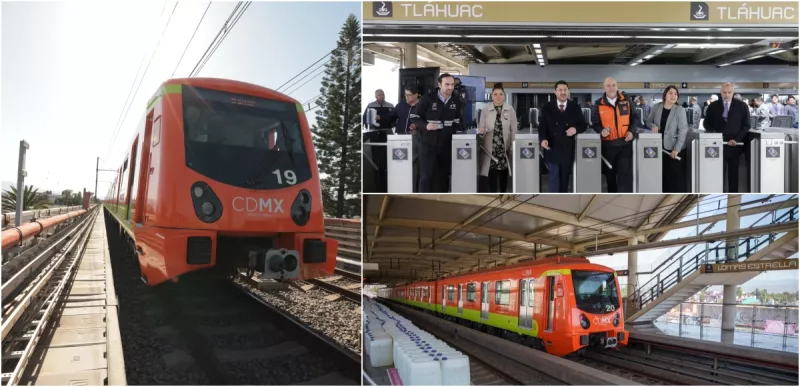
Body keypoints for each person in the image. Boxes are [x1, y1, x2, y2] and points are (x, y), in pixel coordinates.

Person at [411, 73, 464, 193]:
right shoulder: (427, 98)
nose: (450, 87)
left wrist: (455, 132)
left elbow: (457, 120)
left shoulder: (456, 101)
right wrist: (425, 126)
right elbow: (414, 116)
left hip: (446, 145)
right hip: (427, 145)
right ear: (439, 84)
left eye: (452, 85)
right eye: (447, 84)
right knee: (426, 177)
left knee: (444, 176)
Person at [539, 80, 587, 193]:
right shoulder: (546, 107)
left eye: (565, 90)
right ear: (555, 92)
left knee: (564, 181)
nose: (563, 92)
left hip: (567, 150)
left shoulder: (575, 107)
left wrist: (575, 129)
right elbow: (542, 127)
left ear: (568, 92)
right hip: (551, 148)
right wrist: (543, 139)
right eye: (560, 90)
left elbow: (583, 125)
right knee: (553, 179)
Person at [592, 77, 639, 193]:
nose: (611, 88)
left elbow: (635, 117)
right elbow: (595, 123)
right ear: (604, 88)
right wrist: (601, 131)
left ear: (617, 86)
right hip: (608, 146)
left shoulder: (627, 101)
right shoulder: (598, 104)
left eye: (613, 85)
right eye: (608, 85)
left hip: (625, 144)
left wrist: (631, 132)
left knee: (624, 175)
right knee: (610, 176)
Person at [703, 82, 751, 193]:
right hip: (716, 146)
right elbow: (707, 124)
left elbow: (746, 125)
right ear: (721, 92)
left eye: (729, 92)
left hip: (734, 146)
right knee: (717, 174)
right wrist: (714, 135)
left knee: (733, 175)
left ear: (733, 93)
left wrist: (737, 139)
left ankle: (732, 193)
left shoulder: (742, 106)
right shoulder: (713, 106)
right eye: (724, 92)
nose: (727, 95)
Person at [646, 86, 689, 193]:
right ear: (665, 95)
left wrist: (676, 149)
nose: (673, 95)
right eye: (670, 93)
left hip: (674, 149)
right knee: (662, 177)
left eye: (675, 94)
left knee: (675, 180)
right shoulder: (656, 107)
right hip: (659, 148)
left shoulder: (680, 110)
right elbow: (648, 121)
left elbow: (683, 131)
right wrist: (653, 126)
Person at [477, 83, 517, 193]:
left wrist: (513, 146)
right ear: (491, 96)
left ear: (504, 96)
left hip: (504, 148)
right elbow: (481, 127)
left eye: (500, 94)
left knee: (503, 173)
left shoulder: (510, 110)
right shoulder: (485, 110)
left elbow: (514, 130)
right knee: (491, 173)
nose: (498, 96)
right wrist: (481, 131)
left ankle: (503, 192)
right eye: (495, 94)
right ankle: (493, 194)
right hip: (490, 149)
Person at [386, 86, 422, 191]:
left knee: (414, 165)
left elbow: (428, 121)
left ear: (416, 95)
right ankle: (400, 187)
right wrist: (379, 118)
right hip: (400, 139)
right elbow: (390, 117)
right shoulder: (400, 106)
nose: (407, 97)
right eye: (405, 95)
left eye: (409, 95)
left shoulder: (423, 106)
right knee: (400, 164)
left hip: (416, 138)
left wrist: (417, 126)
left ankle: (413, 189)